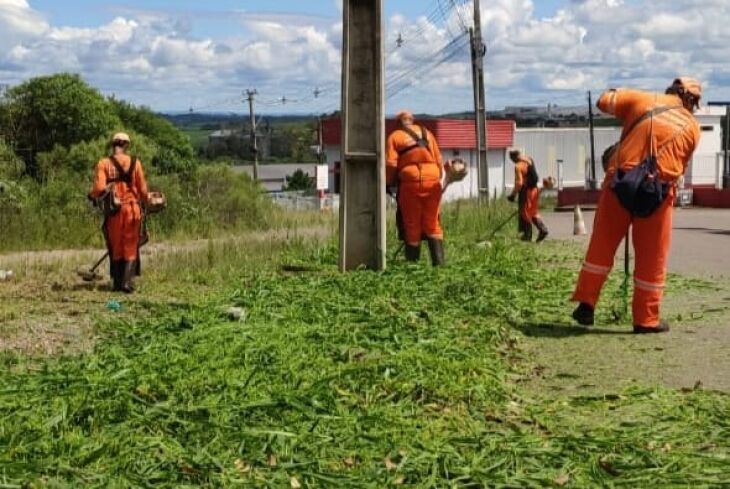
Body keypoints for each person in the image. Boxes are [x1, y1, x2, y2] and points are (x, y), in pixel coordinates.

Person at [572, 78, 702, 333]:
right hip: (659, 192)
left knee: (601, 246)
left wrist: (618, 93)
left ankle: (586, 304)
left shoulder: (642, 100)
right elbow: (679, 166)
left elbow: (603, 101)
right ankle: (646, 319)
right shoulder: (693, 129)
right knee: (653, 258)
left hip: (620, 181)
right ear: (691, 101)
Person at [89, 132, 149, 293]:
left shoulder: (104, 163)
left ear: (112, 145)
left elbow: (99, 188)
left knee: (116, 246)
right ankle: (127, 283)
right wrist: (148, 200)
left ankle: (117, 283)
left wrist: (92, 196)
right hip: (132, 210)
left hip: (114, 211)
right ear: (126, 145)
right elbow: (143, 191)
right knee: (130, 245)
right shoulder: (135, 163)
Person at [386, 110, 446, 266]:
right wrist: (436, 178)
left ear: (398, 123)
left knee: (412, 224)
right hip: (432, 180)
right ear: (412, 121)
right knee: (432, 222)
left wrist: (389, 182)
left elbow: (391, 164)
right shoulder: (427, 133)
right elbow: (439, 159)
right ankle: (439, 265)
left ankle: (413, 266)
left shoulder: (395, 136)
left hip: (410, 182)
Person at [507, 150, 548, 242]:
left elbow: (519, 183)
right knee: (533, 212)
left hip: (526, 192)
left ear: (513, 157)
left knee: (524, 213)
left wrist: (512, 195)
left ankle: (527, 237)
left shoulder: (518, 166)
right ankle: (543, 229)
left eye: (511, 159)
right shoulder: (529, 160)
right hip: (535, 190)